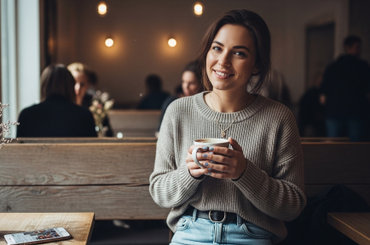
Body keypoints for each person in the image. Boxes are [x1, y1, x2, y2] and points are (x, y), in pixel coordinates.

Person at [149, 9, 306, 244]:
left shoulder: (278, 118)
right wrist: (189, 173)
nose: (223, 61)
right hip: (191, 230)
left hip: (253, 234)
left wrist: (244, 172)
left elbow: (293, 206)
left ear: (256, 64)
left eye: (239, 53)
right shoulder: (177, 111)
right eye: (217, 48)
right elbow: (160, 191)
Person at [17, 64, 97, 137]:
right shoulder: (85, 116)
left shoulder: (26, 115)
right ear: (70, 86)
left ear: (44, 86)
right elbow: (94, 150)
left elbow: (18, 149)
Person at [319, 35, 370, 141]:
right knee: (348, 145)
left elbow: (324, 91)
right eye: (357, 47)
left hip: (345, 110)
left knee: (346, 145)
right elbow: (324, 90)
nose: (359, 50)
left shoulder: (334, 66)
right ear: (347, 47)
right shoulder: (361, 66)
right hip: (348, 111)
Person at [67, 62, 114, 137]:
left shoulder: (95, 104)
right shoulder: (63, 105)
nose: (77, 88)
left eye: (82, 84)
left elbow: (108, 133)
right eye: (74, 82)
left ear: (88, 85)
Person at [159, 60, 204, 130]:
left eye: (191, 83)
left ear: (201, 84)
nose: (186, 86)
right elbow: (161, 129)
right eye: (183, 82)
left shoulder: (206, 103)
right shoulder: (172, 101)